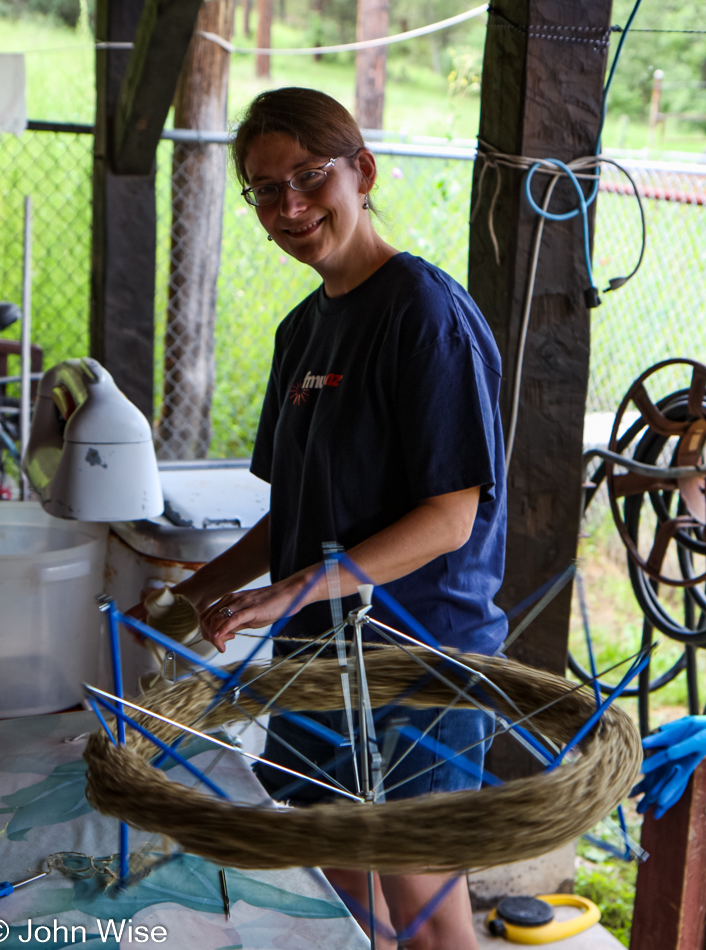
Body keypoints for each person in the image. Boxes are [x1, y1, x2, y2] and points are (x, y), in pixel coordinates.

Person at [168, 87, 507, 950]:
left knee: (432, 924)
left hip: (416, 659)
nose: (289, 206)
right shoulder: (301, 331)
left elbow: (449, 518)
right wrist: (186, 598)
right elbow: (295, 506)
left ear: (361, 171)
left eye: (308, 177)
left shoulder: (424, 316)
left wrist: (290, 591)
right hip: (320, 659)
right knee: (347, 905)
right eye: (264, 189)